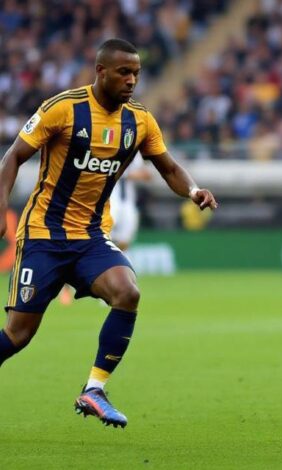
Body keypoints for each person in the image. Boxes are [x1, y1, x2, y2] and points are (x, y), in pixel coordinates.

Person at [0, 38, 218, 428]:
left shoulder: (140, 120)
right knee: (18, 335)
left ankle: (94, 389)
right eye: (123, 72)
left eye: (136, 73)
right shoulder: (63, 108)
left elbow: (168, 167)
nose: (131, 80)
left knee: (127, 292)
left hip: (90, 236)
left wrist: (193, 190)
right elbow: (13, 156)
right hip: (43, 236)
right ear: (101, 71)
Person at [110, 156, 152, 251]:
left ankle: (119, 258)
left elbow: (147, 175)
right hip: (109, 200)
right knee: (105, 234)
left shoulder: (135, 154)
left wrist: (125, 174)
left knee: (125, 239)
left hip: (128, 201)